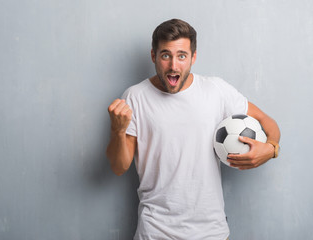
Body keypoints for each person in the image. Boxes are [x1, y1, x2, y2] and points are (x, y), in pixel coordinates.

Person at [106, 19, 281, 240]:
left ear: (193, 57)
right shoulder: (135, 97)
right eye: (165, 55)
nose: (173, 66)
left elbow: (267, 121)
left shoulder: (216, 90)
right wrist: (118, 131)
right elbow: (119, 167)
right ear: (154, 56)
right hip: (155, 232)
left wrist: (271, 148)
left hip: (211, 233)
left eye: (181, 56)